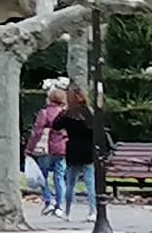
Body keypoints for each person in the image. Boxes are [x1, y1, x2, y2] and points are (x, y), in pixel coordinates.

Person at [53, 87, 101, 222]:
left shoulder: (68, 114)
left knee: (70, 182)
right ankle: (93, 211)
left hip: (73, 148)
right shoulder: (89, 113)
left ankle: (67, 212)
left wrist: (61, 113)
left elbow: (56, 125)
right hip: (87, 148)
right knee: (90, 182)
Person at [26, 88, 67, 216]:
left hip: (46, 149)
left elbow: (37, 133)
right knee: (59, 177)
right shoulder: (66, 113)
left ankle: (49, 201)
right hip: (62, 149)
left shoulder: (44, 113)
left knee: (42, 176)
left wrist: (29, 149)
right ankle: (60, 206)